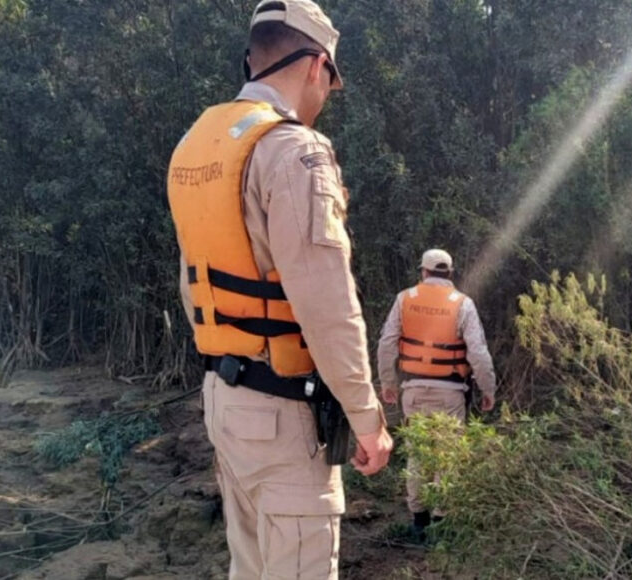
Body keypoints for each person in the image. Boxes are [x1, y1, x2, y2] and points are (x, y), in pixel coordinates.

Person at [166, 1, 392, 577]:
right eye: (331, 82)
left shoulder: (199, 142)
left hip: (225, 402)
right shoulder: (294, 151)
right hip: (284, 416)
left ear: (252, 58)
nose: (326, 97)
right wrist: (367, 419)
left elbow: (193, 280)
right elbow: (328, 305)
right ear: (317, 65)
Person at [376, 249, 497, 537]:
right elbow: (478, 353)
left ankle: (418, 519)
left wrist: (388, 383)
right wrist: (487, 389)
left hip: (414, 391)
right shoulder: (463, 304)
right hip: (451, 393)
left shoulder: (405, 299)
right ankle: (441, 522)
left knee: (418, 452)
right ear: (450, 273)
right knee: (447, 454)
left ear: (424, 272)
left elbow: (386, 344)